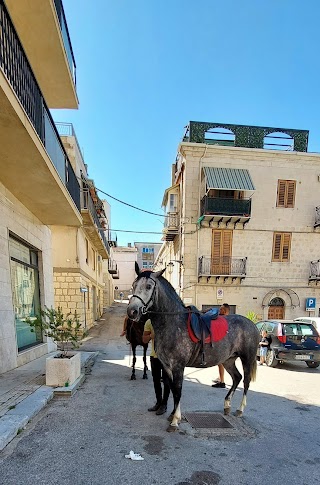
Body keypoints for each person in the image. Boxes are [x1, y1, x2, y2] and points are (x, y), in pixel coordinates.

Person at [142, 319, 170, 415]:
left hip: (167, 357)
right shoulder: (149, 322)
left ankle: (164, 404)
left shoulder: (168, 320)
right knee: (156, 381)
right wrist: (151, 336)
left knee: (166, 382)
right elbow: (144, 339)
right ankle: (158, 402)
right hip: (154, 356)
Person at [211, 303, 230, 389]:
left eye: (221, 309)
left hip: (223, 345)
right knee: (220, 363)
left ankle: (222, 381)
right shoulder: (224, 319)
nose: (220, 310)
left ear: (225, 311)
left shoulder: (224, 319)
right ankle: (220, 377)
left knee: (220, 363)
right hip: (223, 344)